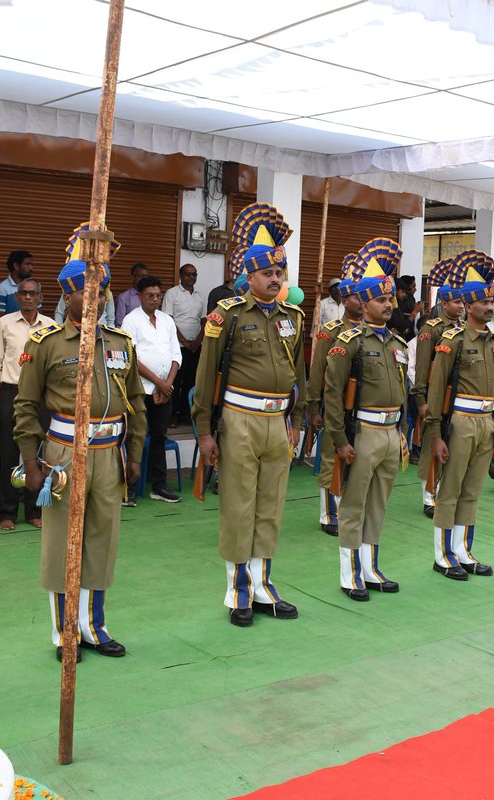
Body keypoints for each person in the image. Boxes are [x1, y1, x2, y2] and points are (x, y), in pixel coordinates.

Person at [14, 226, 147, 661]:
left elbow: (137, 405)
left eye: (103, 288)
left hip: (111, 455)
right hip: (64, 455)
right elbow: (26, 405)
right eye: (87, 290)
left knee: (101, 540)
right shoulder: (47, 343)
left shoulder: (121, 343)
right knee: (62, 544)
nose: (98, 297)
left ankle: (94, 626)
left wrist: (135, 455)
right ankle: (64, 631)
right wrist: (29, 462)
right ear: (68, 296)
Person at [193, 203, 306, 627]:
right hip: (239, 419)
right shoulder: (227, 316)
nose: (275, 278)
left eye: (279, 272)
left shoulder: (292, 317)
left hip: (279, 422)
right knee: (239, 507)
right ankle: (238, 591)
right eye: (267, 273)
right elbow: (206, 379)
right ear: (249, 277)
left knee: (270, 506)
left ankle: (263, 586)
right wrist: (205, 430)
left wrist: (298, 419)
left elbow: (300, 375)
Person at [323, 238, 409, 600]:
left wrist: (402, 433)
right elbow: (332, 393)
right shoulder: (350, 341)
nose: (388, 304)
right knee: (354, 505)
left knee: (379, 504)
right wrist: (340, 440)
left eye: (390, 299)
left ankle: (371, 567)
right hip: (364, 432)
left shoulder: (397, 344)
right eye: (380, 300)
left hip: (390, 432)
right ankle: (349, 573)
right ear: (364, 303)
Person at [426, 249, 494, 580]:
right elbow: (435, 388)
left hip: (486, 423)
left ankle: (463, 550)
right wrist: (435, 434)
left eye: (491, 301)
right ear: (467, 305)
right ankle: (443, 554)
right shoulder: (452, 340)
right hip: (459, 421)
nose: (489, 307)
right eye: (482, 302)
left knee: (472, 490)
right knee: (451, 489)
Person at [0, 277, 54, 531]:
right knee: (10, 454)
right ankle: (8, 512)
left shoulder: (51, 326)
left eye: (32, 293)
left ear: (40, 297)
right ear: (16, 297)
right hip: (11, 393)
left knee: (39, 453)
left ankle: (34, 510)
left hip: (41, 397)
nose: (27, 297)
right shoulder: (4, 323)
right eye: (23, 293)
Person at [306, 254, 361, 536]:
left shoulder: (371, 332)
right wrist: (314, 408)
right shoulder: (331, 332)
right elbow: (317, 373)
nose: (361, 301)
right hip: (335, 405)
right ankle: (329, 516)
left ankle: (349, 510)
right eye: (355, 296)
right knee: (332, 459)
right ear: (344, 298)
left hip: (363, 410)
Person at [122, 274, 181, 503]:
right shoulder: (130, 320)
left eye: (158, 295)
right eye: (150, 296)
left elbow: (176, 355)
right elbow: (132, 358)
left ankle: (159, 486)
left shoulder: (167, 320)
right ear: (139, 296)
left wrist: (166, 386)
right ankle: (128, 489)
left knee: (159, 437)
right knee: (133, 437)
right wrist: (159, 383)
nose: (155, 300)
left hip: (164, 390)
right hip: (141, 390)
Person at [413, 259, 463, 518]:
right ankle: (429, 496)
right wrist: (421, 399)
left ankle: (445, 491)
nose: (461, 306)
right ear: (444, 303)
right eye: (456, 302)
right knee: (435, 441)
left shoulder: (464, 330)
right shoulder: (430, 330)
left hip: (456, 396)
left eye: (463, 302)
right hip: (435, 393)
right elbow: (422, 369)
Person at [161, 263, 207, 424]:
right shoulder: (172, 294)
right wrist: (183, 340)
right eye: (188, 274)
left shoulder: (200, 296)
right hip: (177, 347)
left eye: (194, 274)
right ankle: (172, 416)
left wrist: (198, 341)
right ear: (180, 276)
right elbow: (168, 320)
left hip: (195, 347)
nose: (191, 277)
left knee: (191, 381)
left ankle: (186, 416)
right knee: (175, 381)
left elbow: (203, 321)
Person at [0, 250, 34, 317]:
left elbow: (38, 315)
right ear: (16, 266)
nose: (31, 268)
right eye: (27, 264)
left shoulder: (34, 287)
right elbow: (0, 321)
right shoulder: (2, 289)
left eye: (31, 265)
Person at [389, 274, 417, 340]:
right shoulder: (393, 307)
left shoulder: (398, 305)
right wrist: (414, 312)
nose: (404, 295)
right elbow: (402, 325)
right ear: (395, 291)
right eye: (403, 292)